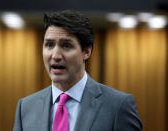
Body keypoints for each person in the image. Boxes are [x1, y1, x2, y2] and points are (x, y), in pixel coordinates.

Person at [13, 10, 142, 131]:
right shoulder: (25, 108)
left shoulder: (118, 106)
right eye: (49, 45)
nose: (55, 55)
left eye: (66, 46)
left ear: (86, 51)